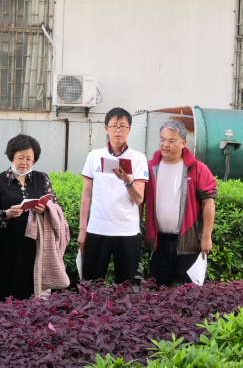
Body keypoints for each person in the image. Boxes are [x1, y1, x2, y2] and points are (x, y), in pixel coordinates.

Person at [78, 107, 148, 285]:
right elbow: (86, 195)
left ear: (129, 130)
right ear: (106, 128)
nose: (118, 130)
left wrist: (127, 181)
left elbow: (139, 199)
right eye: (114, 126)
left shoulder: (138, 158)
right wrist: (82, 230)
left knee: (130, 286)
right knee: (91, 284)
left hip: (127, 231)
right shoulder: (94, 156)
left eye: (123, 126)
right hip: (97, 229)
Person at [144, 120, 217, 288]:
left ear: (184, 143)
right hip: (158, 243)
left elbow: (209, 203)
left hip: (189, 243)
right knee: (158, 293)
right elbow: (138, 201)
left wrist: (206, 237)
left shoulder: (197, 168)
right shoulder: (149, 168)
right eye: (162, 139)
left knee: (191, 293)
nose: (165, 145)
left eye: (171, 141)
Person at [0, 134, 58, 300]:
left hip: (37, 245)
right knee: (9, 292)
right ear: (12, 156)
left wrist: (45, 209)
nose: (24, 162)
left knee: (35, 291)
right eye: (20, 158)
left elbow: (56, 209)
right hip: (10, 245)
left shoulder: (42, 178)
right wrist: (7, 214)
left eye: (29, 159)